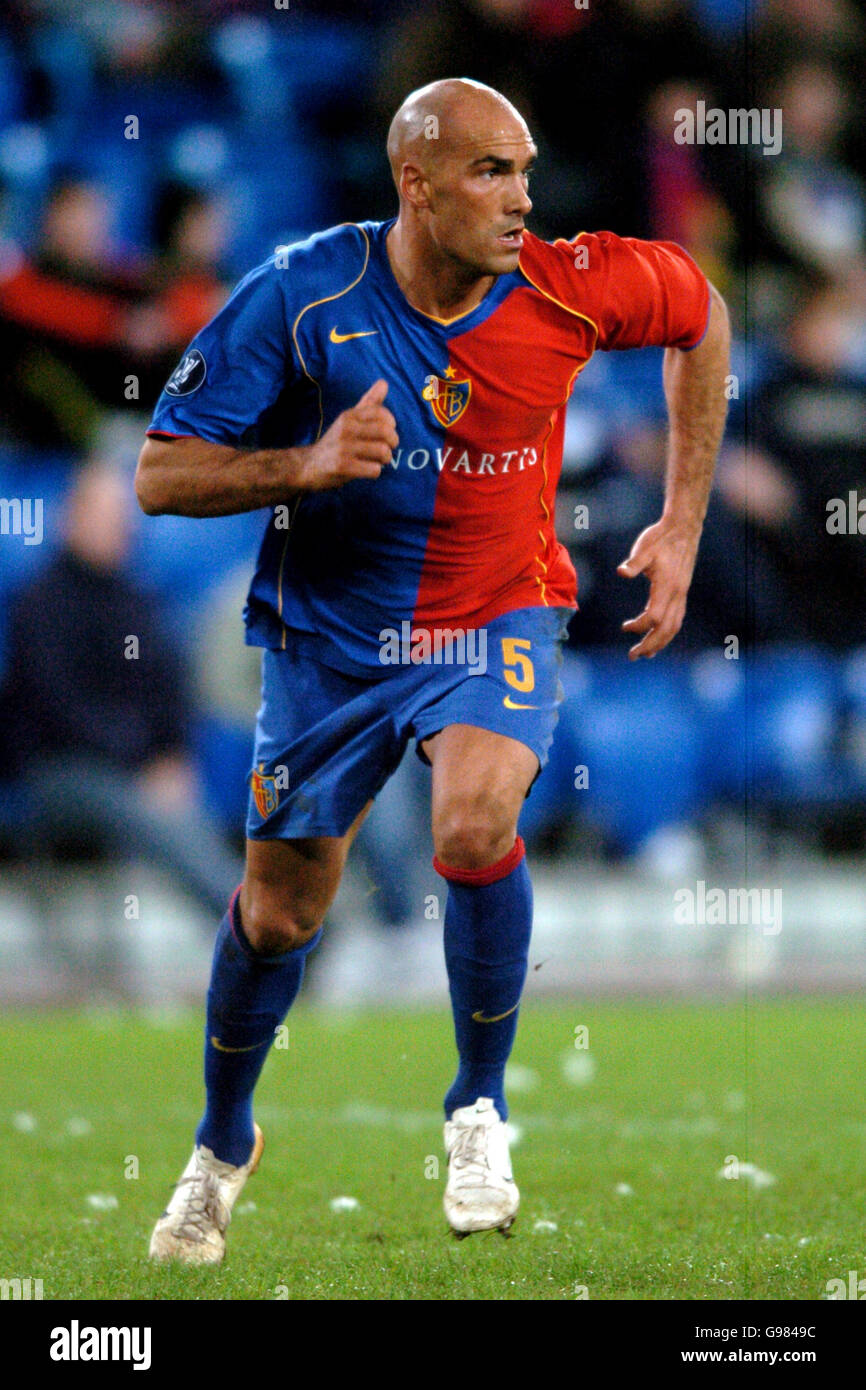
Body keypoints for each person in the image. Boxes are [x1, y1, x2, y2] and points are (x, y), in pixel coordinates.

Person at [136, 78, 729, 1262]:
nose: (522, 200)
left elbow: (702, 314)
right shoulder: (305, 292)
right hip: (330, 643)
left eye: (525, 170)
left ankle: (477, 1106)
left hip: (495, 613)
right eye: (488, 173)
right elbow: (163, 472)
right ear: (414, 182)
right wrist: (300, 466)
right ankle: (220, 1142)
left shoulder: (567, 283)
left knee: (470, 826)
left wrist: (682, 518)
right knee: (274, 912)